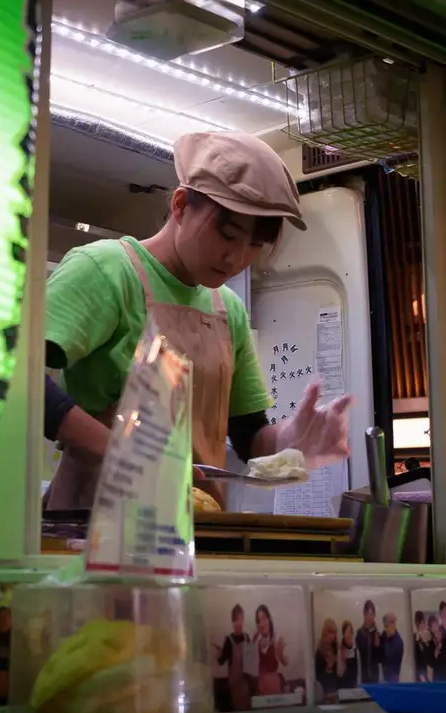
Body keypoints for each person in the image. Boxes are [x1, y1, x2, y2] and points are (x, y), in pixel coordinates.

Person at [42, 131, 352, 512]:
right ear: (180, 205)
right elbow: (17, 375)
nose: (236, 258)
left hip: (197, 528)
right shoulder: (107, 271)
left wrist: (295, 440)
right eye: (228, 234)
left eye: (256, 245)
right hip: (95, 520)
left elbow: (250, 436)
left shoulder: (228, 310)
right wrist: (127, 457)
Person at [215, 603, 251, 711]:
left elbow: (251, 660)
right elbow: (221, 661)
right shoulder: (228, 640)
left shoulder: (247, 637)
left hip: (245, 683)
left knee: (246, 709)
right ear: (233, 621)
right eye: (237, 620)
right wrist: (218, 654)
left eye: (241, 620)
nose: (239, 623)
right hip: (234, 684)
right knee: (237, 709)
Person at [253, 604, 288, 696]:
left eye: (264, 618)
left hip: (273, 687)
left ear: (269, 619)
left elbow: (286, 662)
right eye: (259, 621)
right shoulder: (257, 640)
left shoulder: (276, 638)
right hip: (261, 687)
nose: (262, 623)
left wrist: (280, 654)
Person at [356, 599, 382, 684]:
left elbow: (380, 659)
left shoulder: (377, 634)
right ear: (364, 615)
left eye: (371, 614)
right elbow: (361, 651)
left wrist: (378, 647)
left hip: (375, 676)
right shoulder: (360, 633)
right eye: (367, 614)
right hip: (364, 675)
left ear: (374, 615)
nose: (369, 617)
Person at [314, 618, 339, 703]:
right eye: (330, 632)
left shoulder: (335, 647)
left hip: (334, 684)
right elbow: (317, 673)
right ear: (325, 632)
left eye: (334, 633)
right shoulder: (320, 651)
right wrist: (327, 666)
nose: (332, 636)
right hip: (323, 686)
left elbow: (337, 671)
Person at [380, 612, 404, 683]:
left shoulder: (398, 640)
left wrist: (391, 638)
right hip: (383, 676)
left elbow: (392, 656)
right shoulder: (383, 636)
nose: (390, 625)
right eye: (387, 623)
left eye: (392, 622)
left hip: (394, 677)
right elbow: (380, 656)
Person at [338, 620, 359, 692]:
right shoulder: (340, 650)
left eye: (350, 632)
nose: (348, 635)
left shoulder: (355, 649)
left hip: (354, 685)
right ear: (343, 634)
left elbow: (357, 669)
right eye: (346, 632)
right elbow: (339, 672)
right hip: (343, 685)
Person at [413, 610, 433, 683]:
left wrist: (426, 642)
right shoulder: (413, 638)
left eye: (422, 622)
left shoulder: (429, 637)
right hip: (417, 673)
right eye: (418, 622)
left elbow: (431, 658)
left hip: (427, 672)